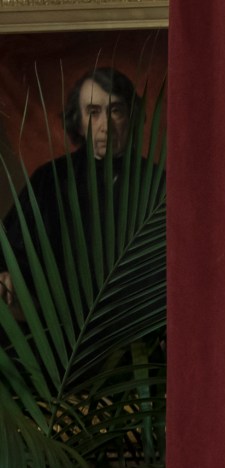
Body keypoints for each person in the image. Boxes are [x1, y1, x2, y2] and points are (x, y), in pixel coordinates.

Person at [0, 67, 152, 308]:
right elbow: (9, 245)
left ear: (131, 117)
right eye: (93, 112)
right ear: (79, 123)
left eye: (116, 111)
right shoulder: (49, 179)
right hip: (64, 333)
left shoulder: (159, 184)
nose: (106, 125)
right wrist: (6, 272)